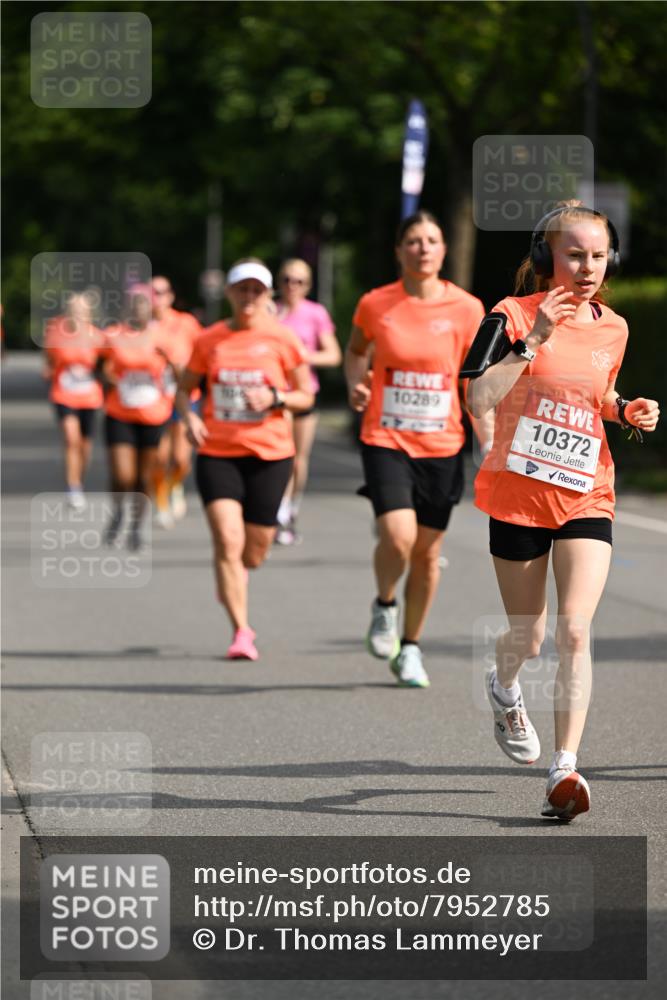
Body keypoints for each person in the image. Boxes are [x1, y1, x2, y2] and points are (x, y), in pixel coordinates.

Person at [467, 202, 660, 820]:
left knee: (576, 629)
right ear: (547, 255)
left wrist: (624, 408)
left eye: (598, 255)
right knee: (529, 634)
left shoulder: (616, 328)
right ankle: (503, 686)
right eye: (574, 253)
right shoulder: (512, 314)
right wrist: (534, 339)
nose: (586, 267)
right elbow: (478, 395)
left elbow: (595, 393)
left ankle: (565, 767)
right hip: (518, 496)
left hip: (586, 489)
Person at [345, 210, 492, 688]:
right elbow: (355, 352)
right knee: (399, 535)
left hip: (442, 443)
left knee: (428, 555)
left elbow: (476, 380)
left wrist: (486, 434)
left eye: (431, 240)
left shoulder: (468, 308)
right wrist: (355, 385)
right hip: (385, 436)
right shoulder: (375, 304)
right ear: (399, 251)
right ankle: (385, 605)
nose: (423, 248)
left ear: (444, 250)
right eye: (413, 240)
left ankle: (410, 647)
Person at [175, 259, 313, 660]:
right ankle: (241, 631)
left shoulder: (282, 339)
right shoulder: (210, 339)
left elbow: (306, 395)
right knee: (227, 540)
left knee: (254, 550)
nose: (249, 297)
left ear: (267, 295)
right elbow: (185, 389)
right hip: (219, 452)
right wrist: (188, 417)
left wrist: (276, 398)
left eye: (257, 290)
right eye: (242, 289)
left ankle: (231, 572)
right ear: (230, 294)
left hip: (271, 454)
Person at [273, 258, 341, 544]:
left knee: (298, 461)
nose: (292, 286)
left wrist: (301, 356)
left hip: (303, 393)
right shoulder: (269, 311)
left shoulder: (315, 313)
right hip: (274, 396)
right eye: (287, 279)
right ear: (279, 282)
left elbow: (333, 355)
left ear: (308, 285)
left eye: (299, 281)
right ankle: (276, 512)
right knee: (279, 457)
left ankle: (290, 508)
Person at [101, 285, 172, 550]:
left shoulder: (162, 336)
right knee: (122, 475)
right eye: (134, 305)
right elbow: (103, 367)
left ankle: (137, 525)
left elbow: (179, 371)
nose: (138, 309)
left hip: (154, 414)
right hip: (120, 412)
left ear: (151, 308)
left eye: (144, 304)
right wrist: (112, 377)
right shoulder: (114, 335)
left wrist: (170, 365)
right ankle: (119, 512)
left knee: (144, 478)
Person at [42, 292, 104, 510]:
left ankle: (79, 479)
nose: (76, 314)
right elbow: (48, 358)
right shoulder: (56, 333)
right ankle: (73, 487)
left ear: (89, 313)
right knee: (71, 439)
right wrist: (49, 370)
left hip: (89, 397)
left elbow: (105, 367)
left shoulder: (97, 337)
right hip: (63, 394)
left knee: (85, 447)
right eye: (73, 309)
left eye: (81, 310)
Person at [151, 275, 202, 528]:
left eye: (161, 292)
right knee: (160, 458)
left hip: (184, 395)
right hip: (152, 400)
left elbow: (203, 353)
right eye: (151, 292)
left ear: (171, 296)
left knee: (181, 458)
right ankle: (160, 502)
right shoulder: (140, 326)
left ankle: (175, 485)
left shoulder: (186, 323)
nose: (156, 298)